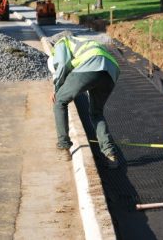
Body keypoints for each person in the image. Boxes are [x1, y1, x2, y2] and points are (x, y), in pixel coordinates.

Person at [48, 31, 120, 168]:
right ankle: (110, 154)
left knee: (60, 101)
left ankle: (63, 148)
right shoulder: (85, 42)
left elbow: (62, 63)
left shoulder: (62, 42)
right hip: (111, 70)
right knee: (96, 113)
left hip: (89, 66)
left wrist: (57, 89)